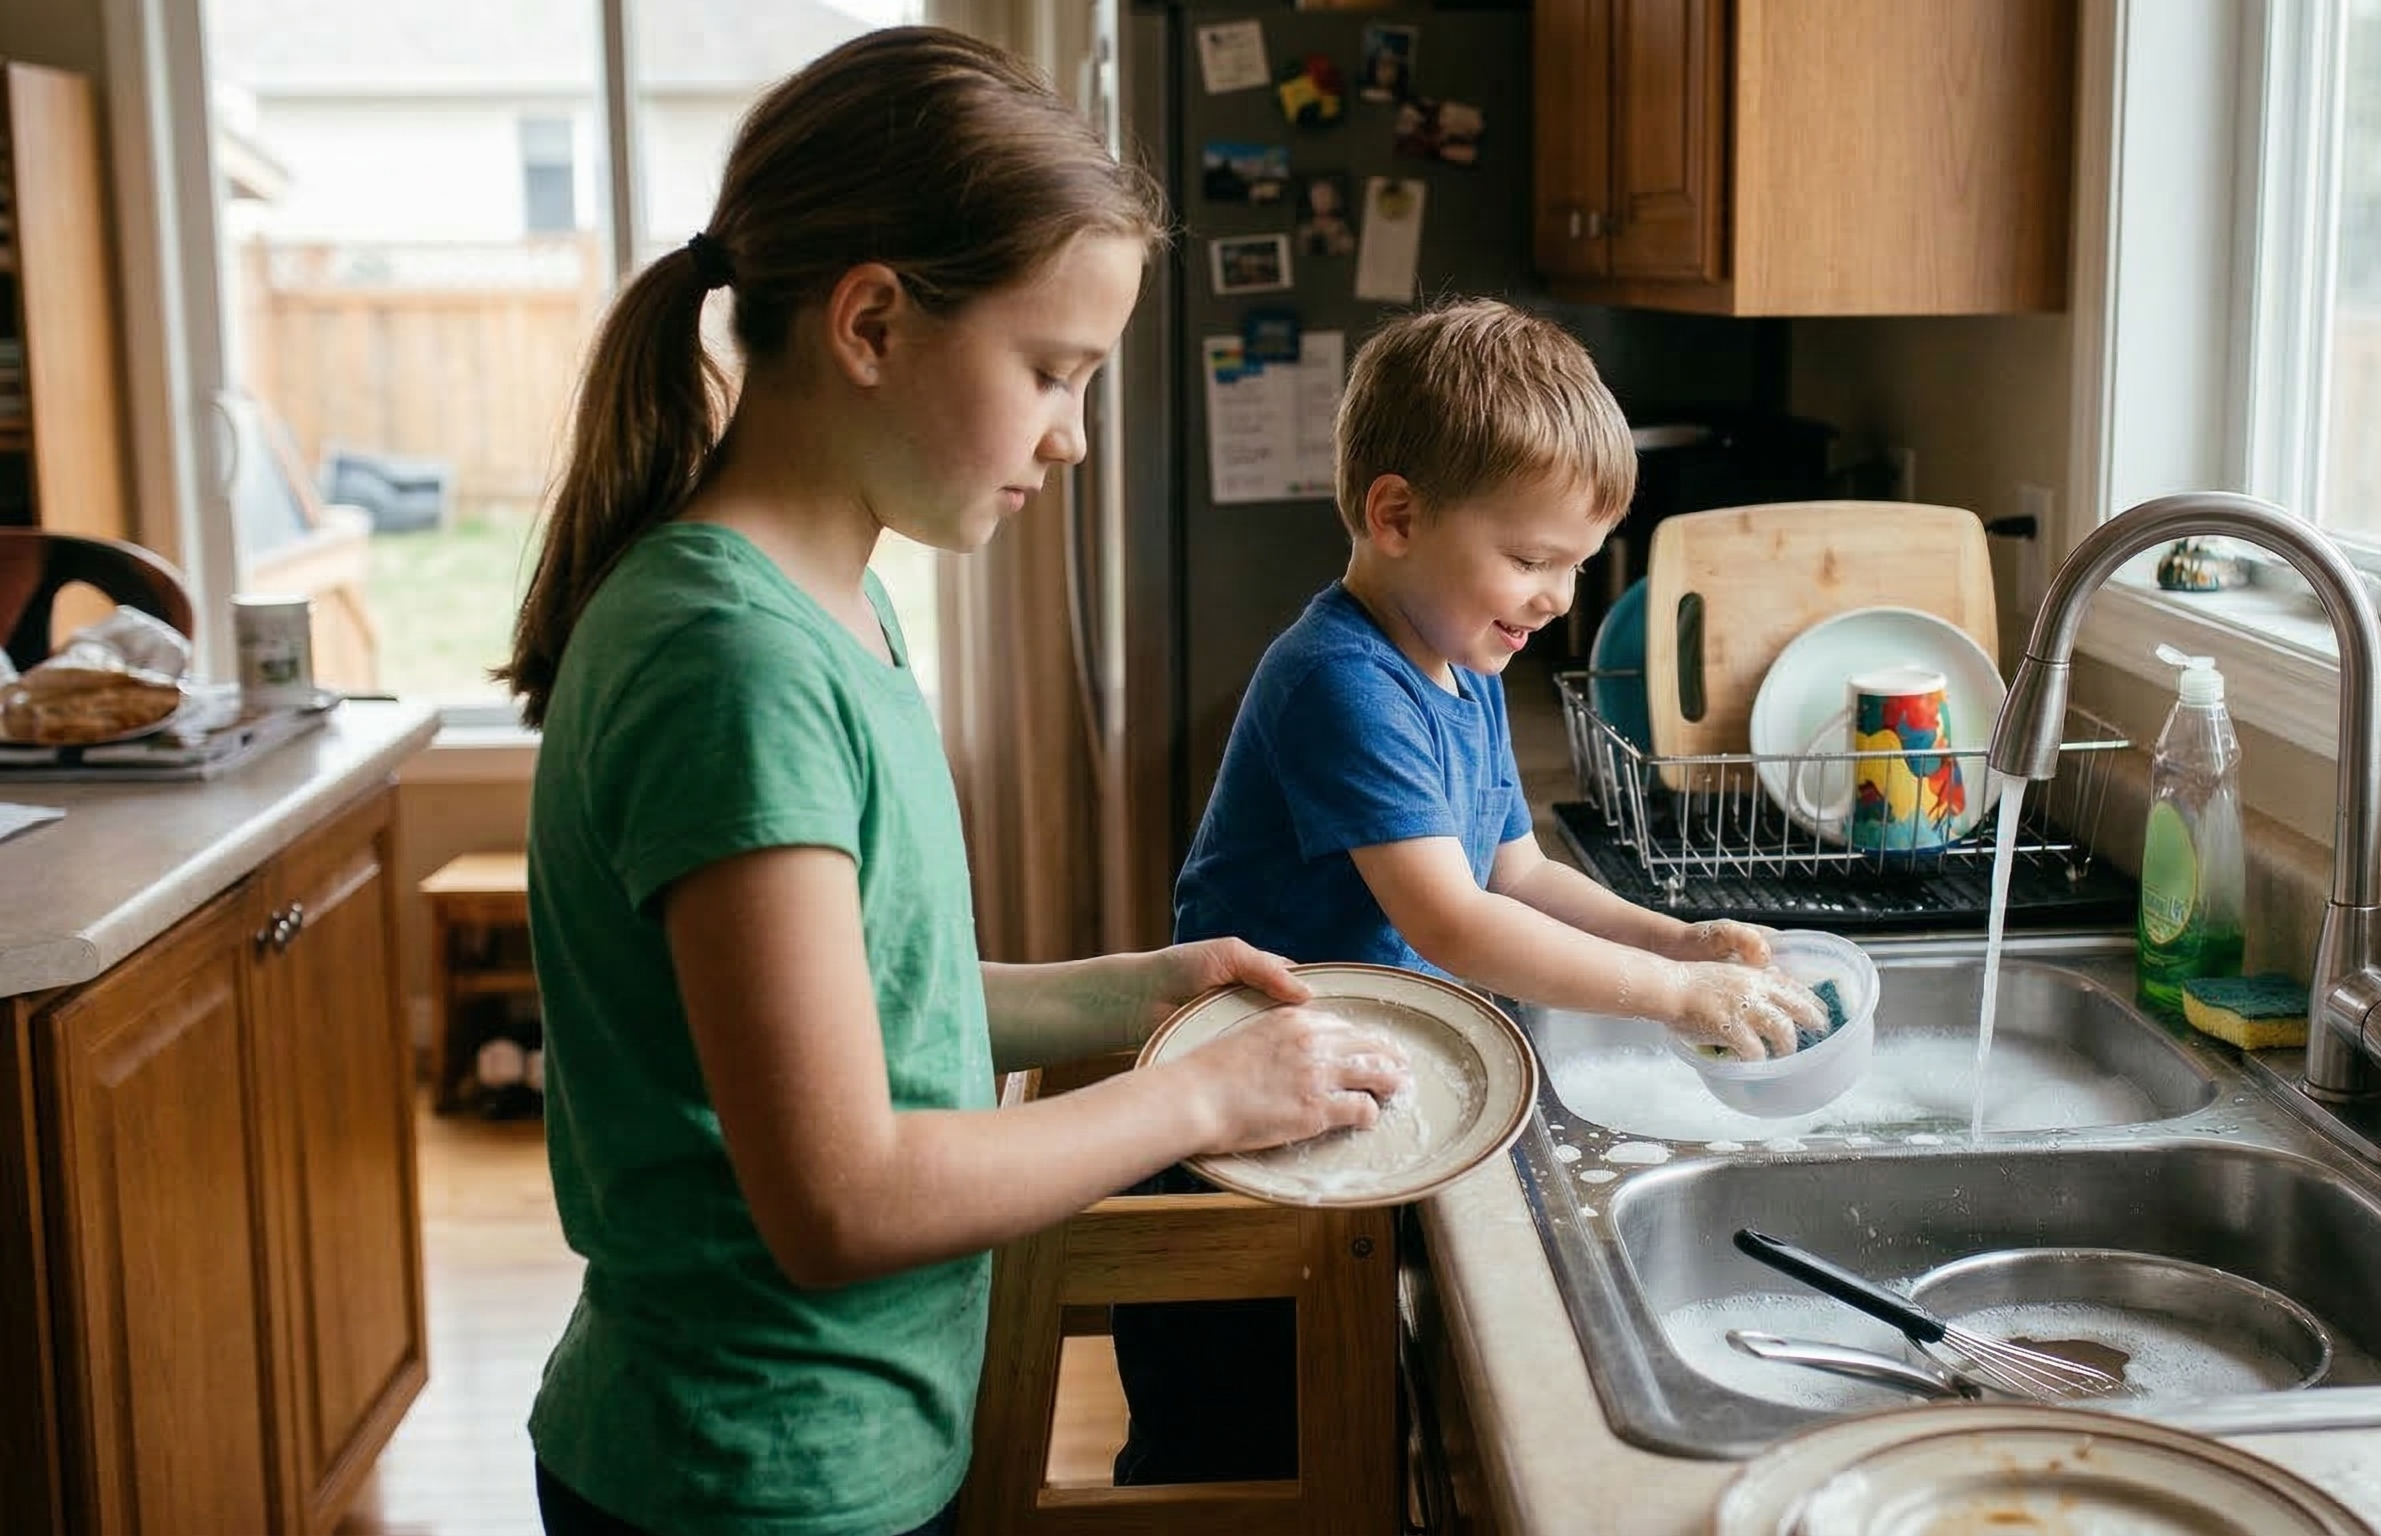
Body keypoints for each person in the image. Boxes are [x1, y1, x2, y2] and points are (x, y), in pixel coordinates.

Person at [501, 28, 1410, 1536]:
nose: (1069, 439)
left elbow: (875, 1003)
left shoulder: (834, 603)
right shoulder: (731, 660)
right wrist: (1199, 1097)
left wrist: (1136, 993)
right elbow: (843, 1197)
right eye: (1052, 372)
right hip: (750, 1478)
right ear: (872, 321)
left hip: (849, 1442)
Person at [1111, 298, 1826, 1485]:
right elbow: (1451, 919)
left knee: (1332, 1436)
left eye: (1574, 568)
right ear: (1395, 516)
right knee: (1225, 1462)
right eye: (1531, 559)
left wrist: (1678, 941)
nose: (1553, 598)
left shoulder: (1458, 659)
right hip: (1239, 1139)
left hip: (1343, 1098)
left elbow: (1516, 869)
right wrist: (1664, 994)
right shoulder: (1341, 679)